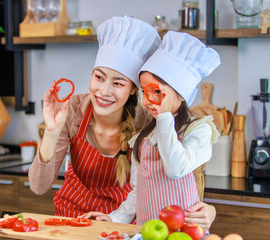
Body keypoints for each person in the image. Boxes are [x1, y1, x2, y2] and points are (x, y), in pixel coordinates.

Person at [28, 16, 216, 229]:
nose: (104, 91)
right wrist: (52, 132)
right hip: (72, 218)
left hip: (125, 226)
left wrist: (209, 210)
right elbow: (37, 186)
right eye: (99, 77)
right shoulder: (73, 110)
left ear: (133, 89)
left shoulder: (149, 122)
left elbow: (185, 175)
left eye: (118, 83)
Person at [81, 31, 221, 232]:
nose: (149, 100)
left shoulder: (198, 130)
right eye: (145, 91)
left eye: (158, 92)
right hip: (146, 233)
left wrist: (164, 118)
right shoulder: (144, 137)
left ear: (181, 94)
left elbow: (175, 169)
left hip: (184, 234)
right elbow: (138, 192)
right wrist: (113, 218)